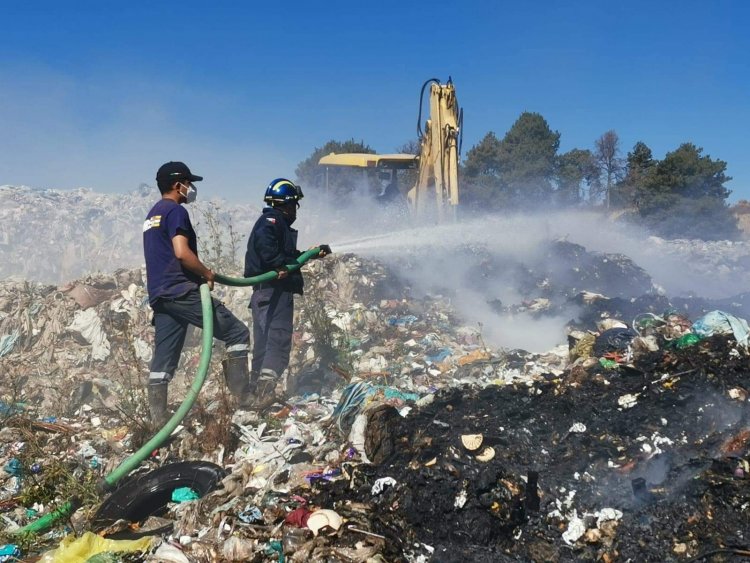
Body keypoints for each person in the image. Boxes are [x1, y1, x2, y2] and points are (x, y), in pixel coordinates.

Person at [143, 161, 252, 425]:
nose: (191, 188)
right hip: (181, 290)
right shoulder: (175, 211)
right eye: (188, 183)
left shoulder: (152, 214)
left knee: (163, 361)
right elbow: (181, 252)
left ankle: (157, 422)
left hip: (161, 296)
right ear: (177, 184)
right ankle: (244, 399)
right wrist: (206, 272)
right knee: (238, 334)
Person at [244, 178, 330, 409]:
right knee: (278, 342)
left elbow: (286, 256)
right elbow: (267, 250)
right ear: (287, 203)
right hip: (274, 292)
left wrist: (311, 253)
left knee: (262, 345)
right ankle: (263, 394)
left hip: (263, 293)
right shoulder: (272, 221)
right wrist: (278, 265)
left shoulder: (273, 222)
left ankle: (252, 394)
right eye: (294, 205)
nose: (295, 211)